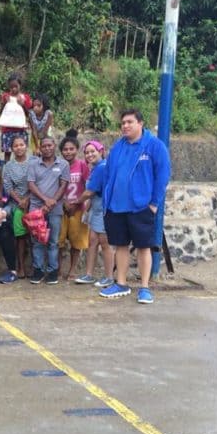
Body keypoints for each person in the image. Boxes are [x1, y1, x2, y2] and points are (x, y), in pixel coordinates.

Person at [100, 109, 170, 304]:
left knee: (143, 247)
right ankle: (121, 283)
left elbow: (163, 176)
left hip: (141, 208)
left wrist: (154, 204)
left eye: (130, 122)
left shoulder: (154, 146)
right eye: (123, 123)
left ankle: (145, 287)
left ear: (140, 123)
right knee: (120, 246)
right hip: (116, 207)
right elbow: (108, 175)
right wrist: (107, 199)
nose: (125, 126)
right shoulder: (118, 147)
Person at [26, 136, 70, 285]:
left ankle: (52, 271)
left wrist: (51, 202)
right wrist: (45, 200)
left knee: (53, 241)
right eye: (44, 146)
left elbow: (63, 185)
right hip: (36, 208)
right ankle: (38, 270)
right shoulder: (33, 164)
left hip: (55, 209)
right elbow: (31, 185)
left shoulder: (63, 164)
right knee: (37, 240)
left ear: (54, 145)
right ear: (40, 148)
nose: (47, 148)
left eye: (49, 145)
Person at [75, 140, 114, 288]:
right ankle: (89, 274)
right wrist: (87, 209)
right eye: (87, 152)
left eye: (93, 151)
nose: (89, 154)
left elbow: (89, 192)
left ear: (101, 151)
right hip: (96, 210)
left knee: (105, 244)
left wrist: (76, 202)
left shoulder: (102, 168)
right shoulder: (95, 168)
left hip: (104, 211)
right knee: (92, 242)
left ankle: (109, 277)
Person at [58, 132, 90, 280]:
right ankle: (58, 270)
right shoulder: (58, 166)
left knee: (76, 242)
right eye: (65, 149)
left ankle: (72, 270)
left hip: (78, 209)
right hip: (61, 209)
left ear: (76, 150)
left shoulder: (82, 165)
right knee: (59, 241)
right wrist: (64, 203)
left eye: (71, 149)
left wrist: (77, 203)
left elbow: (88, 186)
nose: (68, 152)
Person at [3, 135, 31, 278]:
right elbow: (8, 186)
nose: (19, 148)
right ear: (12, 148)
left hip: (35, 201)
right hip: (17, 203)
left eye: (21, 144)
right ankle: (20, 266)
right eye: (16, 146)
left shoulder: (34, 162)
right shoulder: (8, 166)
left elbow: (38, 182)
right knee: (20, 237)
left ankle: (37, 266)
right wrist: (20, 201)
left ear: (26, 145)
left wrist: (27, 199)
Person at [0, 73, 32, 162]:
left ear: (20, 85)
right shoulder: (5, 97)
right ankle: (7, 172)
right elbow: (1, 113)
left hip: (20, 129)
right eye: (11, 87)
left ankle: (22, 170)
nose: (13, 89)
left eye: (16, 86)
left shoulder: (25, 98)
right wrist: (4, 103)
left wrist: (23, 105)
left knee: (21, 152)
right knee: (7, 152)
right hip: (7, 130)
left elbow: (28, 115)